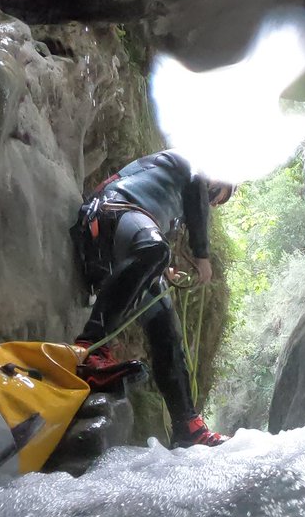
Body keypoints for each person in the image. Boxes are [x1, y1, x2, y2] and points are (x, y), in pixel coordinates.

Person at [71, 150, 233, 448]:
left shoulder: (170, 206)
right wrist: (201, 254)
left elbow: (151, 240)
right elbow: (196, 183)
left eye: (214, 201)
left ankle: (187, 425)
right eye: (215, 195)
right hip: (112, 210)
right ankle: (90, 347)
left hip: (125, 237)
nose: (210, 203)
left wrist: (164, 269)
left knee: (167, 333)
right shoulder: (191, 160)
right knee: (155, 250)